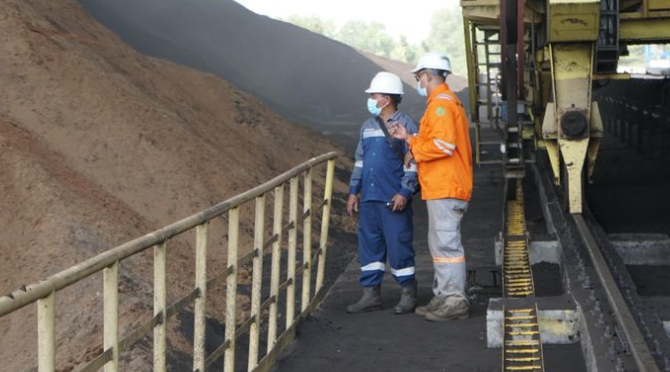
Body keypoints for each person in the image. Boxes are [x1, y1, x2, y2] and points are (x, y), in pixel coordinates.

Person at [391, 52, 473, 321]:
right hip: (441, 185)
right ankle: (443, 295)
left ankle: (455, 300)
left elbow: (443, 145)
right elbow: (436, 140)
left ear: (428, 74)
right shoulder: (444, 103)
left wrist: (413, 145)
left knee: (447, 246)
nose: (418, 81)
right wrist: (411, 139)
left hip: (446, 184)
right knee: (439, 245)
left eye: (419, 76)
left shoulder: (440, 105)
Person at [346, 71, 419, 314]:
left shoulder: (407, 125)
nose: (370, 99)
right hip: (369, 199)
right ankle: (371, 295)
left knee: (399, 246)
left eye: (374, 95)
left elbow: (414, 162)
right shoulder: (367, 126)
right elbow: (360, 161)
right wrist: (354, 191)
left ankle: (408, 293)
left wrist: (404, 192)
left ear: (386, 99)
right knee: (370, 247)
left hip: (393, 199)